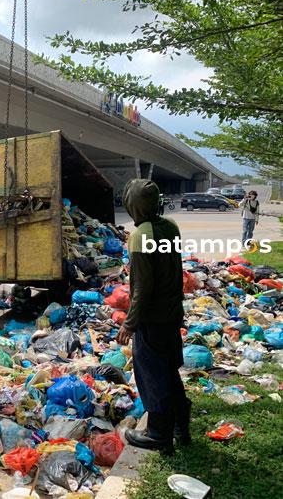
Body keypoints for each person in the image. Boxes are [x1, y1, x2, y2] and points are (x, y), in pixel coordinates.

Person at [117, 179, 190, 452]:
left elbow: (142, 287)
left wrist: (130, 323)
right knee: (170, 372)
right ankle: (181, 426)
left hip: (152, 318)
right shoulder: (170, 227)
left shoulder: (140, 236)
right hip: (172, 314)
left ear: (132, 205)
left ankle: (159, 434)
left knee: (152, 375)